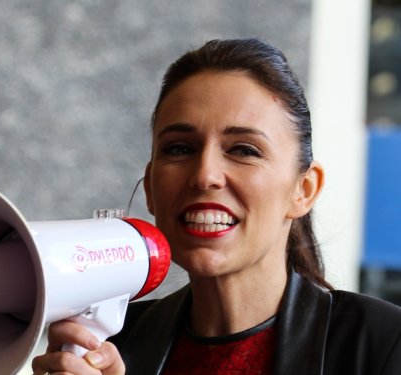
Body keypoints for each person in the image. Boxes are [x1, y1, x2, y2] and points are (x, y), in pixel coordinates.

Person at [31, 38, 401, 375]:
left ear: (303, 190)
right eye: (179, 149)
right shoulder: (111, 344)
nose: (205, 175)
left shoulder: (382, 345)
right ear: (150, 188)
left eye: (244, 150)